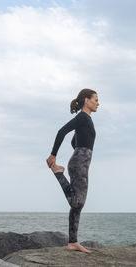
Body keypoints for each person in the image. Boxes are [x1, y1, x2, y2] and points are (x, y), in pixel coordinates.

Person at [46, 88, 99, 254]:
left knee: (77, 206)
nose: (98, 103)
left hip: (80, 162)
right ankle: (57, 172)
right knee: (77, 202)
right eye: (96, 100)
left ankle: (72, 242)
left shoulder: (86, 120)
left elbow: (74, 141)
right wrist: (53, 154)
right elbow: (62, 132)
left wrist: (78, 151)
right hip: (79, 163)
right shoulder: (82, 117)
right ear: (86, 101)